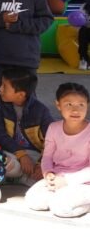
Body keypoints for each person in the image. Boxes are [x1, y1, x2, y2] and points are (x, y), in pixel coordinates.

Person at [25, 82, 90, 218]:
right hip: (58, 177)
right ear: (58, 105)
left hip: (83, 181)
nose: (75, 110)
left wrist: (67, 181)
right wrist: (48, 173)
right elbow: (47, 156)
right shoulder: (53, 128)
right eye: (68, 104)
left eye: (81, 105)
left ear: (87, 106)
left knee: (61, 208)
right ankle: (63, 196)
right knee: (34, 201)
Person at [0, 67, 52, 185]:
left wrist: (42, 164)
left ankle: (17, 177)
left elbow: (52, 140)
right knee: (2, 162)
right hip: (10, 152)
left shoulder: (41, 111)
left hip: (35, 155)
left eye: (4, 86)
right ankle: (22, 177)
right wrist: (20, 154)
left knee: (46, 173)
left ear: (20, 95)